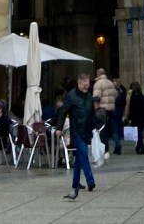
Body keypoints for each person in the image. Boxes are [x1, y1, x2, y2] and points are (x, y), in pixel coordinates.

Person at [58, 72, 95, 201]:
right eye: (84, 84)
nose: (86, 86)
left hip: (86, 131)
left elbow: (91, 113)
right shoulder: (71, 96)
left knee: (79, 158)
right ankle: (91, 181)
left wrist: (95, 126)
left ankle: (75, 183)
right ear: (79, 83)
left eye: (87, 83)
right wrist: (59, 128)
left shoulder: (89, 96)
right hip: (77, 131)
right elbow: (63, 111)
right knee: (83, 154)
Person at [127, 81, 144, 155]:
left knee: (138, 133)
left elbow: (131, 108)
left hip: (135, 118)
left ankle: (140, 148)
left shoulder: (133, 97)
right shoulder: (142, 96)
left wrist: (129, 118)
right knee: (139, 133)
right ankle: (140, 147)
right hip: (142, 118)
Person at [110, 78, 126, 155]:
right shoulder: (121, 92)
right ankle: (117, 146)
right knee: (118, 131)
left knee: (114, 131)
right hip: (120, 113)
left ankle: (118, 145)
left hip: (113, 113)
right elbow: (124, 103)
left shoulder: (112, 94)